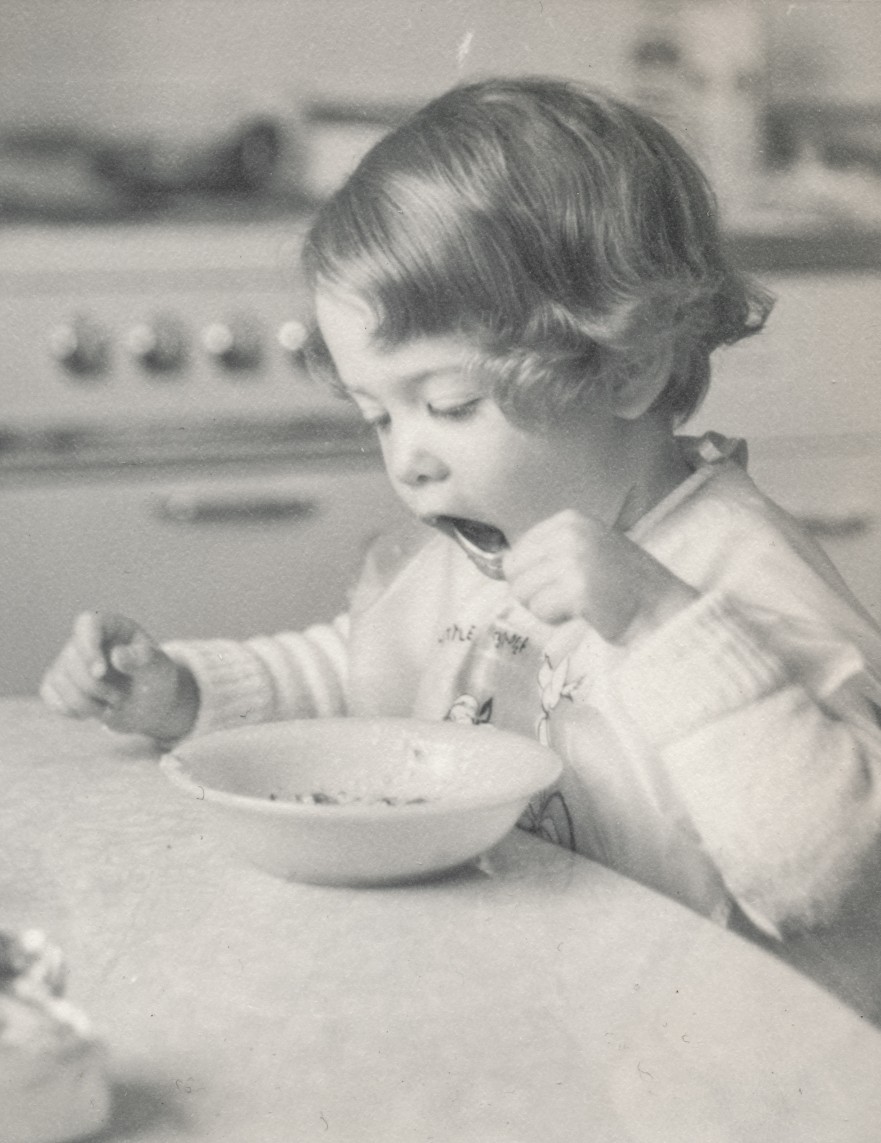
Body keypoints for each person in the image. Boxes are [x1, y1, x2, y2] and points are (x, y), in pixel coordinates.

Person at [40, 77, 881, 943]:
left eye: (446, 405)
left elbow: (833, 881)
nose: (406, 459)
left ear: (629, 367)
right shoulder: (489, 546)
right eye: (377, 414)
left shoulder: (734, 571)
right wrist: (184, 693)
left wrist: (660, 620)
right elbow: (371, 669)